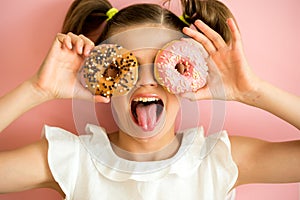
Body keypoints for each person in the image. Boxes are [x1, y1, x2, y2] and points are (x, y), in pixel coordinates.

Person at [0, 0, 299, 200]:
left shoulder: (219, 160)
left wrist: (253, 91)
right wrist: (37, 90)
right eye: (125, 66)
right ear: (103, 78)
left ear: (189, 75)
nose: (146, 79)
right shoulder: (71, 160)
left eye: (164, 64)